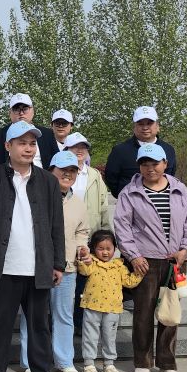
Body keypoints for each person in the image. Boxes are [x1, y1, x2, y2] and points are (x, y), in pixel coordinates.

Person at [0, 121, 69, 372]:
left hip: (38, 267)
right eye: (22, 143)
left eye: (32, 144)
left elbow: (57, 226)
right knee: (0, 326)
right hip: (5, 267)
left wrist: (58, 263)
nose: (28, 149)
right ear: (8, 146)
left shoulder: (48, 181)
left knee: (40, 327)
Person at [113, 143, 187, 372]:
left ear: (165, 164)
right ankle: (142, 362)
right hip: (144, 261)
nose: (150, 168)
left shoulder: (180, 190)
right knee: (143, 313)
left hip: (175, 260)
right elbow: (122, 227)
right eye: (144, 164)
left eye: (155, 163)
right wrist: (133, 256)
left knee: (170, 312)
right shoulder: (130, 192)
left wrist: (186, 248)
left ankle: (167, 363)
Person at [18, 151, 89, 372]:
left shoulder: (78, 203)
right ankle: (30, 361)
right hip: (36, 267)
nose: (67, 175)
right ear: (51, 171)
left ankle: (64, 361)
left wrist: (81, 247)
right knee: (33, 316)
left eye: (72, 171)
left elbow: (82, 231)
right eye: (62, 170)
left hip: (67, 268)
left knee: (64, 316)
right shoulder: (35, 196)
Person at [76, 229, 142, 372]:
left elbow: (129, 282)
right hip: (92, 307)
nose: (105, 252)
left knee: (110, 337)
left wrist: (140, 273)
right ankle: (89, 365)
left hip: (113, 309)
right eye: (100, 248)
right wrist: (83, 258)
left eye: (108, 248)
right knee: (90, 336)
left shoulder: (119, 266)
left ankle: (109, 364)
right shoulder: (92, 262)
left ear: (115, 248)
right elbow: (84, 271)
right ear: (94, 248)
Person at [65, 131, 113, 332]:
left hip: (89, 237)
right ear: (66, 149)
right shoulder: (59, 172)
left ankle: (80, 323)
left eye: (83, 147)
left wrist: (106, 236)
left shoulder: (94, 175)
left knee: (85, 283)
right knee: (65, 283)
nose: (80, 150)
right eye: (75, 147)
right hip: (66, 237)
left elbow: (103, 206)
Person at [104, 106, 178, 198]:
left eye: (149, 123)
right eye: (140, 124)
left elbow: (171, 175)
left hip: (162, 201)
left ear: (157, 126)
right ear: (134, 127)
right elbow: (111, 179)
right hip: (130, 203)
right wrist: (124, 197)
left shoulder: (168, 150)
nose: (145, 127)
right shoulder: (119, 151)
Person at [0, 93, 59, 174]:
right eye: (16, 109)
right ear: (10, 113)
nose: (21, 113)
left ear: (33, 111)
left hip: (43, 180)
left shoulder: (47, 134)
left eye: (25, 109)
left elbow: (57, 164)